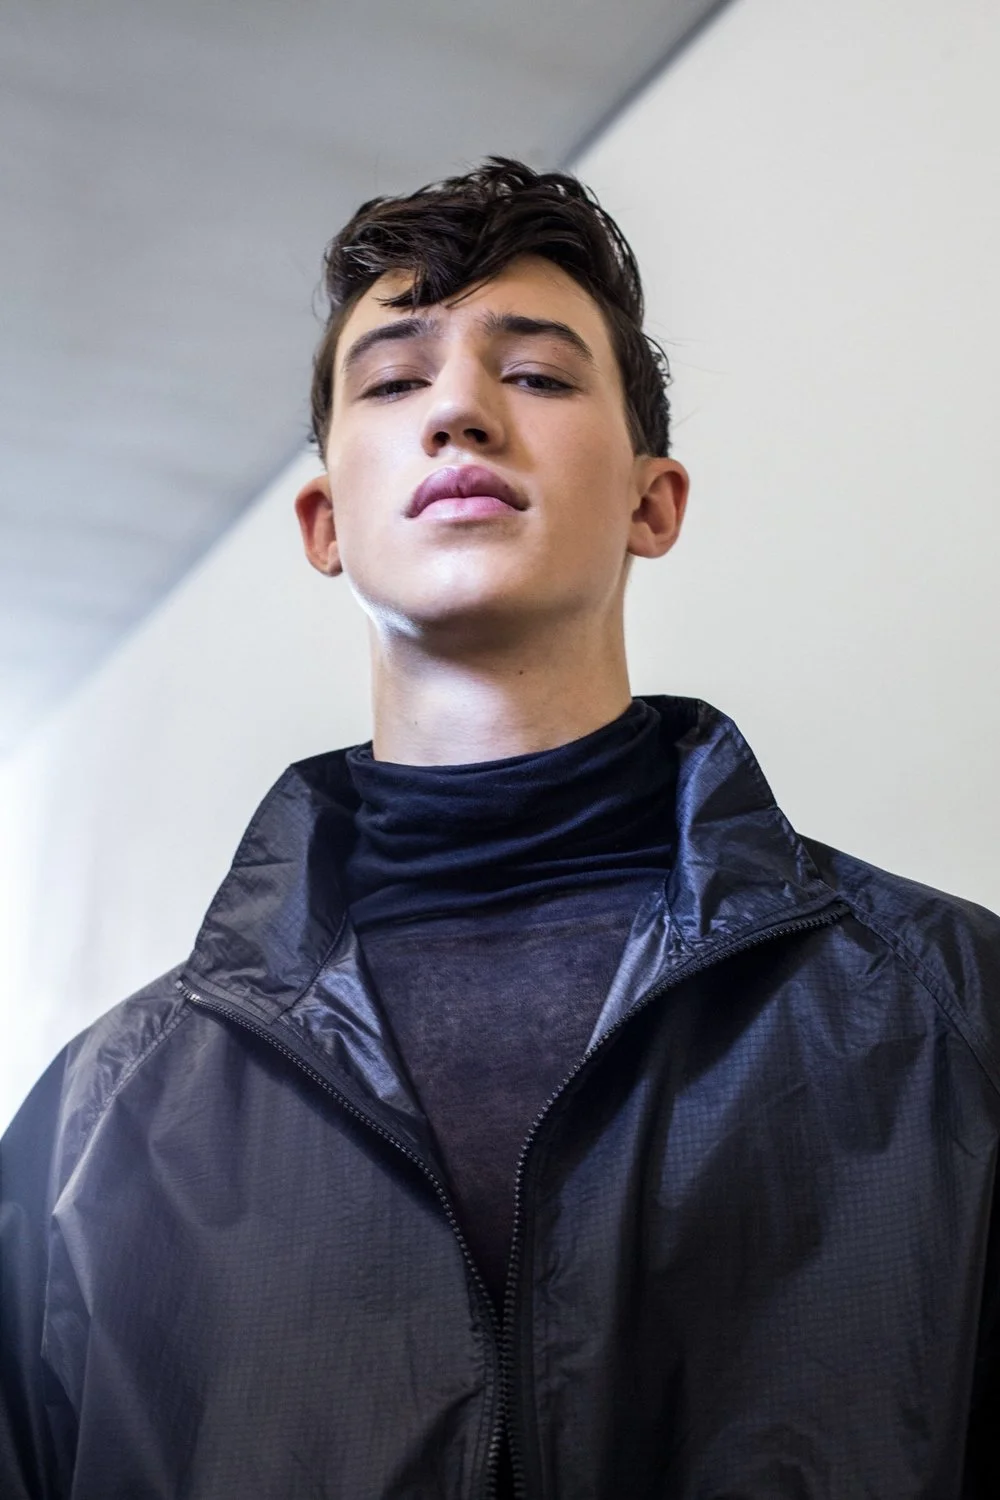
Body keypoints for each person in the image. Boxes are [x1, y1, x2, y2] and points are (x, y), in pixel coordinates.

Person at [2, 157, 999, 1500]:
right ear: (324, 523)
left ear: (653, 501)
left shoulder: (951, 1014)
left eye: (535, 374)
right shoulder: (94, 1126)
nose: (462, 410)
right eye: (393, 383)